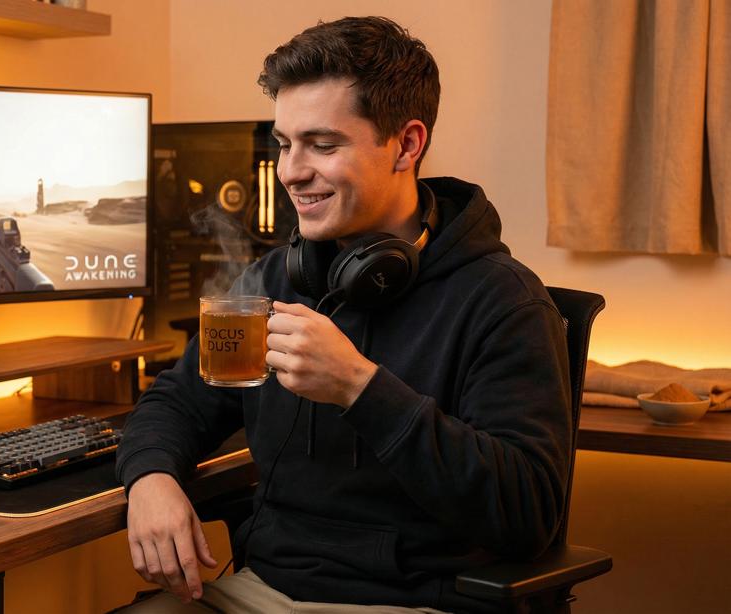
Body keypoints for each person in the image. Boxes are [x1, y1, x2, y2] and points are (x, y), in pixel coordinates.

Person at [116, 16, 571, 614]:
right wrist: (149, 479)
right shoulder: (276, 280)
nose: (290, 172)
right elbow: (175, 402)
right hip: (262, 591)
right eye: (284, 144)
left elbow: (528, 512)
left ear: (407, 144)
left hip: (420, 602)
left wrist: (360, 387)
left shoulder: (501, 300)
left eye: (323, 145)